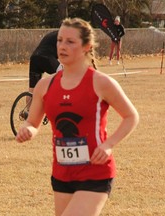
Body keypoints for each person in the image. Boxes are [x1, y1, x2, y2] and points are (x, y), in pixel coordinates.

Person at [16, 17, 139, 216]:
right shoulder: (44, 86)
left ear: (86, 46)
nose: (62, 46)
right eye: (60, 40)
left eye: (70, 42)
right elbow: (32, 122)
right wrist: (27, 130)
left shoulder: (101, 83)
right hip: (62, 174)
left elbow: (131, 116)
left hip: (96, 173)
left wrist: (108, 145)